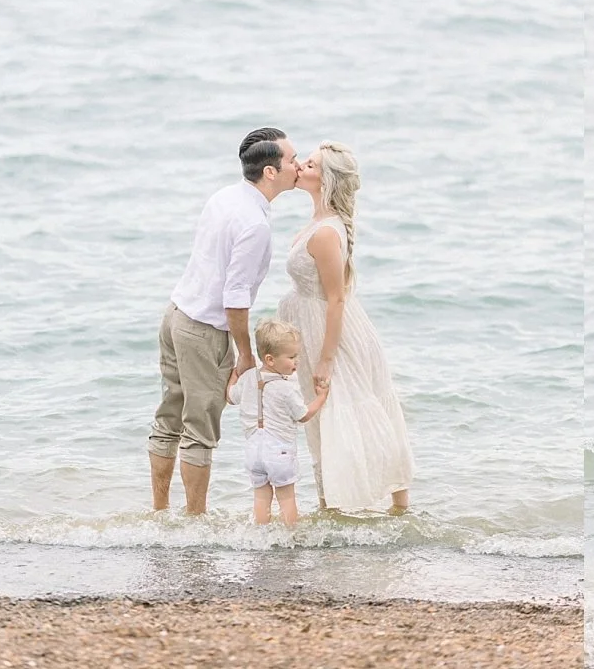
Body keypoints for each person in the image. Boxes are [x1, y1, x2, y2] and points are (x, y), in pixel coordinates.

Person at [148, 127, 298, 516]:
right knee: (200, 431)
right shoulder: (255, 224)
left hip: (176, 314)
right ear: (270, 172)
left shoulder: (224, 197)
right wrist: (245, 355)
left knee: (168, 419)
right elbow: (235, 297)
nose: (298, 166)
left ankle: (160, 513)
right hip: (203, 331)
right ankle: (194, 521)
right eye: (293, 160)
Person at [278, 142, 415, 513]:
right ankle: (331, 507)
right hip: (312, 328)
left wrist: (326, 359)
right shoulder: (318, 223)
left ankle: (390, 507)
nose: (300, 166)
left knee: (345, 409)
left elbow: (336, 299)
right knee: (326, 415)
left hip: (331, 333)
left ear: (326, 180)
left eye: (310, 165)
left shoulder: (325, 233)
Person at [228, 319, 331, 527]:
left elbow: (230, 397)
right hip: (279, 452)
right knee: (286, 498)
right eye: (291, 357)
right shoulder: (287, 388)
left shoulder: (248, 378)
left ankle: (261, 534)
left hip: (253, 451)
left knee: (261, 497)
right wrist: (321, 398)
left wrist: (233, 375)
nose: (296, 361)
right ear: (270, 359)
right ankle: (291, 534)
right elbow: (303, 415)